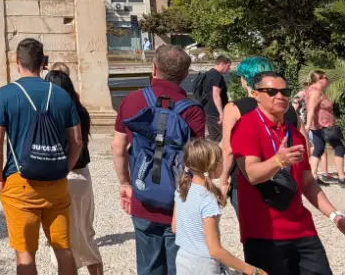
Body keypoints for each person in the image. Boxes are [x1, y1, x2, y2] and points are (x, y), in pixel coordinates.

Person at [230, 71, 344, 275]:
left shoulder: (294, 134)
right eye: (272, 91)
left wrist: (335, 216)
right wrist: (277, 161)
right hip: (264, 234)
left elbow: (308, 183)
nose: (280, 96)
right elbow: (252, 174)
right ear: (255, 94)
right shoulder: (246, 127)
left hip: (303, 230)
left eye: (285, 91)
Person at [0, 38, 82, 275]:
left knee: (26, 254)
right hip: (56, 181)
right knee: (63, 248)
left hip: (20, 181)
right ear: (43, 62)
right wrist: (66, 168)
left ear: (17, 61)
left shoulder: (6, 94)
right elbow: (77, 140)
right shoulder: (61, 95)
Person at [112, 44, 205, 275]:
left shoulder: (132, 101)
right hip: (179, 202)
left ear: (153, 69)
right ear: (185, 75)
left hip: (143, 195)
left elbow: (118, 146)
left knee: (148, 267)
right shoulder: (193, 111)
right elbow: (197, 162)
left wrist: (125, 184)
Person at [171, 137, 262, 275]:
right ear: (212, 166)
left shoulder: (183, 189)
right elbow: (214, 249)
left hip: (183, 261)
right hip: (204, 266)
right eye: (220, 161)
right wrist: (250, 269)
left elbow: (175, 227)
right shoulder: (207, 199)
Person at [218, 56, 296, 210]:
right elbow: (306, 144)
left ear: (245, 80)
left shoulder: (234, 108)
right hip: (284, 179)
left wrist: (223, 180)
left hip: (247, 179)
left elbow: (228, 149)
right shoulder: (289, 108)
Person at [45, 69, 102, 275]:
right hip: (82, 174)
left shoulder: (51, 115)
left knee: (62, 240)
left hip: (63, 176)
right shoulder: (80, 111)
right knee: (85, 234)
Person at [303, 70, 345, 185]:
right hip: (325, 125)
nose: (327, 79)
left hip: (318, 126)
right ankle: (342, 177)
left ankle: (313, 176)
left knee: (319, 149)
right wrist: (307, 126)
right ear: (319, 80)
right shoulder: (316, 92)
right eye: (325, 77)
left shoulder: (310, 90)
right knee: (339, 148)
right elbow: (311, 109)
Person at [194, 56, 231, 142]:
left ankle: (216, 155)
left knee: (214, 139)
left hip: (208, 110)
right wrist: (221, 113)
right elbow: (216, 95)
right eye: (228, 66)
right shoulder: (217, 76)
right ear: (222, 64)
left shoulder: (208, 73)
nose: (228, 69)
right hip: (216, 112)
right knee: (226, 138)